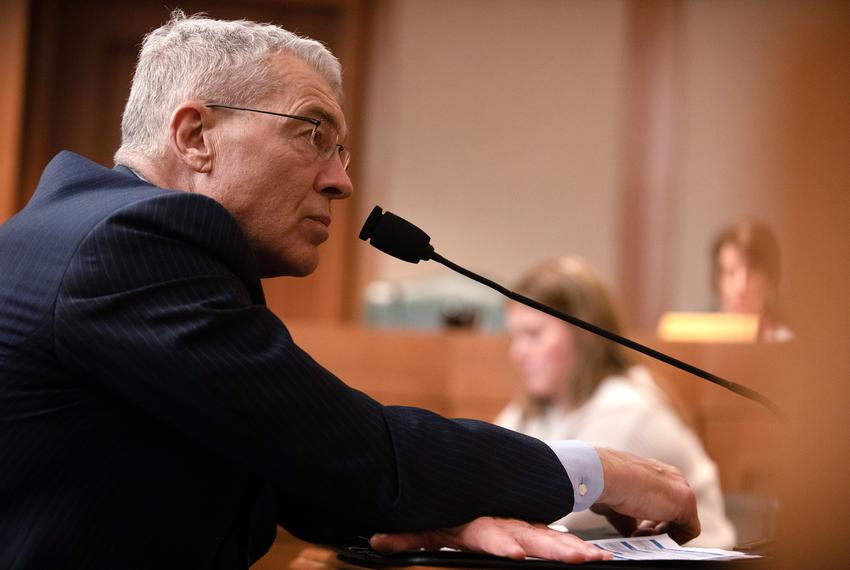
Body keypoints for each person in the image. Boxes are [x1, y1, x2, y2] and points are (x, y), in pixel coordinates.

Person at [0, 12, 699, 568]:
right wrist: (598, 473)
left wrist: (446, 518)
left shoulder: (70, 231)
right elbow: (354, 449)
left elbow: (278, 461)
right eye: (314, 135)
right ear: (195, 134)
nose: (341, 181)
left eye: (341, 150)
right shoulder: (130, 246)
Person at [495, 257, 737, 548]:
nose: (517, 352)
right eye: (514, 336)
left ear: (584, 332)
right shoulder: (535, 408)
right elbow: (488, 469)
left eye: (533, 335)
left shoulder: (629, 407)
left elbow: (559, 514)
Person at [711, 219, 793, 342]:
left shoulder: (789, 345)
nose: (741, 287)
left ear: (771, 278)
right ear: (717, 279)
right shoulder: (697, 339)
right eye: (730, 272)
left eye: (753, 272)